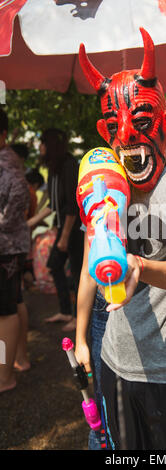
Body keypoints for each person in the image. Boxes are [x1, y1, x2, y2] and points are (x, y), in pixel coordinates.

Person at [75, 28, 166, 450]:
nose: (128, 137)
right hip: (114, 360)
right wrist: (83, 336)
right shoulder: (105, 179)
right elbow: (91, 261)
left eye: (141, 122)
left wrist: (140, 266)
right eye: (117, 127)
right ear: (106, 131)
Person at [27, 129, 84, 332]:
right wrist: (30, 222)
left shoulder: (68, 166)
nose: (40, 147)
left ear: (50, 145)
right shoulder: (54, 168)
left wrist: (65, 236)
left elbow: (72, 205)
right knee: (55, 266)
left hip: (75, 228)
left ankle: (78, 317)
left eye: (42, 143)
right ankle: (66, 311)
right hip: (64, 227)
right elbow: (53, 204)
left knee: (78, 274)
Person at [0, 108, 31, 392]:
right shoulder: (7, 160)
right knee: (13, 303)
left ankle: (5, 376)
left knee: (6, 310)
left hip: (7, 248)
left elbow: (18, 199)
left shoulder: (6, 164)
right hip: (10, 245)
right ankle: (17, 359)